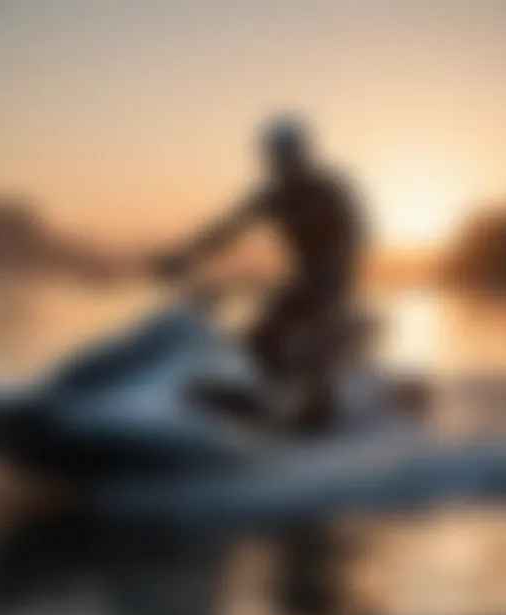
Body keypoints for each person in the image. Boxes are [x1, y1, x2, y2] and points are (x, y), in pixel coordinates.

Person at [152, 116, 366, 431]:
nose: (277, 165)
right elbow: (227, 228)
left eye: (283, 157)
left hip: (332, 278)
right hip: (302, 279)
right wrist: (183, 259)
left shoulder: (328, 191)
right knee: (259, 339)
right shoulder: (273, 196)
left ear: (299, 156)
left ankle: (322, 409)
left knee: (318, 334)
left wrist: (328, 274)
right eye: (273, 158)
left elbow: (351, 237)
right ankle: (255, 401)